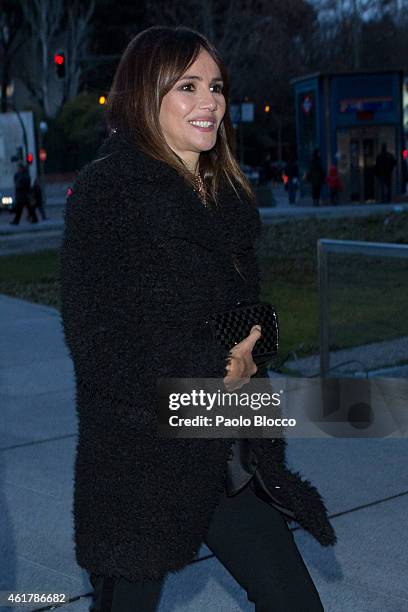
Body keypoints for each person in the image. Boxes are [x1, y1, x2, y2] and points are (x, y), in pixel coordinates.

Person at [60, 26, 336, 612]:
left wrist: (253, 350)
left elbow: (251, 316)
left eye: (215, 86)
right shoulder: (108, 194)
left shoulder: (226, 193)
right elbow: (98, 345)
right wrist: (218, 364)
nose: (209, 102)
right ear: (145, 94)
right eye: (187, 86)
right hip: (143, 466)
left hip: (230, 451)